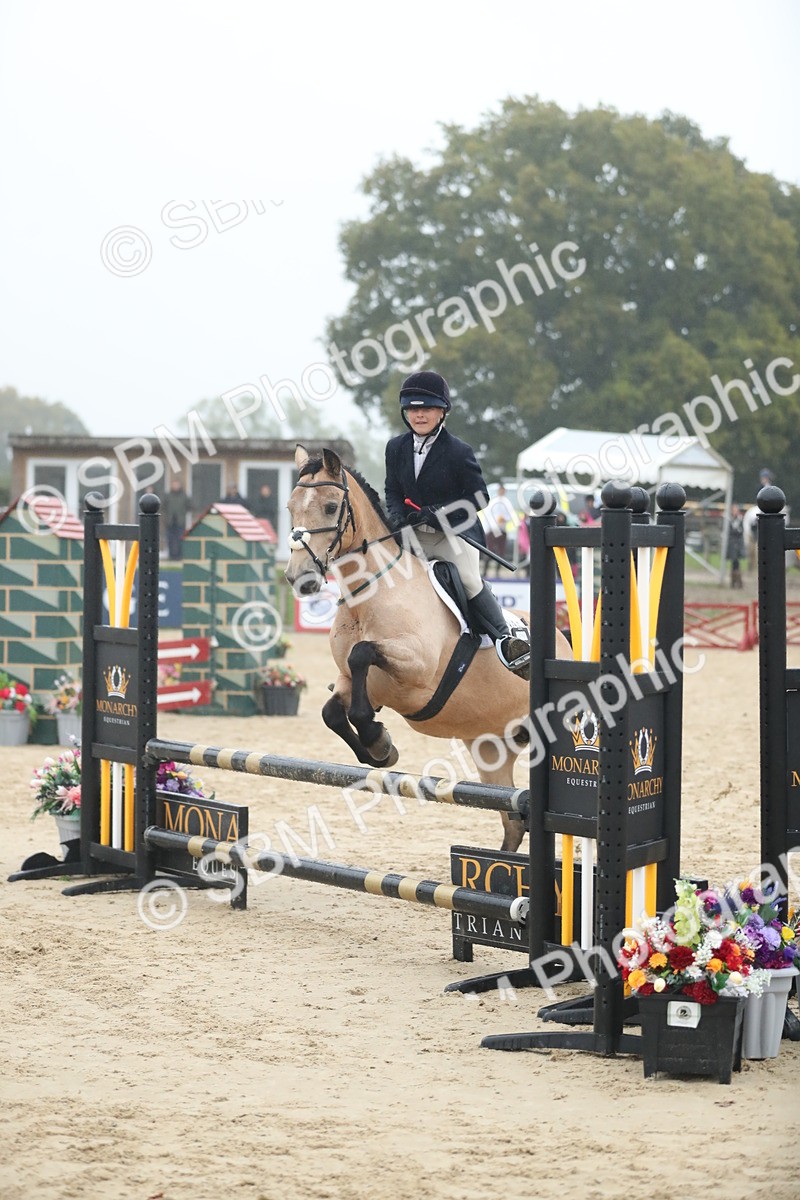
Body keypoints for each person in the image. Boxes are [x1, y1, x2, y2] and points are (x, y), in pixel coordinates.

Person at [384, 370, 529, 676]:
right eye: (412, 408)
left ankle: (506, 640)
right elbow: (393, 490)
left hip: (453, 534)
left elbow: (479, 497)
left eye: (426, 408)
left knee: (468, 578)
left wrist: (438, 512)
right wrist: (396, 516)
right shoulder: (395, 448)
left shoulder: (458, 451)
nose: (419, 414)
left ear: (442, 411)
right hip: (410, 534)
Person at [163, 478, 190, 560]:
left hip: (180, 522)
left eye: (177, 484)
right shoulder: (168, 496)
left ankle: (180, 556)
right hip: (170, 522)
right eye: (174, 484)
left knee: (180, 539)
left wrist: (183, 513)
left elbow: (190, 506)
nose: (175, 486)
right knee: (170, 539)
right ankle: (171, 556)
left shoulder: (184, 496)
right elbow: (162, 507)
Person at [727, 503, 745, 589]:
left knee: (736, 562)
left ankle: (737, 582)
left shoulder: (740, 520)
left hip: (737, 543)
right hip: (732, 543)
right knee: (734, 562)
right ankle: (734, 582)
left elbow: (740, 532)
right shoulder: (729, 520)